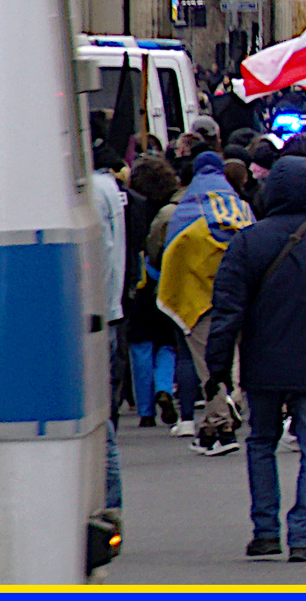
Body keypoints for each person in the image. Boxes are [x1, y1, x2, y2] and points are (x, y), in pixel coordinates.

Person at [205, 155, 306, 564]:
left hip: (263, 361)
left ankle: (265, 529)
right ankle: (303, 533)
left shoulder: (246, 242)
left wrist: (218, 370)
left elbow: (226, 313)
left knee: (261, 441)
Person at [156, 150, 256, 456]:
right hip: (239, 291)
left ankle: (223, 425)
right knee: (236, 353)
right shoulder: (240, 208)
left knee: (207, 361)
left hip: (197, 293)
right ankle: (213, 427)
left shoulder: (184, 210)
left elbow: (166, 249)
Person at [126, 154, 182, 429]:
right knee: (167, 343)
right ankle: (165, 388)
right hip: (166, 279)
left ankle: (146, 410)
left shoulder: (132, 206)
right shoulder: (171, 207)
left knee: (140, 346)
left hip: (140, 282)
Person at [90, 139, 128, 532]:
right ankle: (109, 500)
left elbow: (99, 252)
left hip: (98, 312)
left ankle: (109, 502)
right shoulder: (110, 191)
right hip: (110, 309)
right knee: (104, 416)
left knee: (101, 419)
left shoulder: (95, 191)